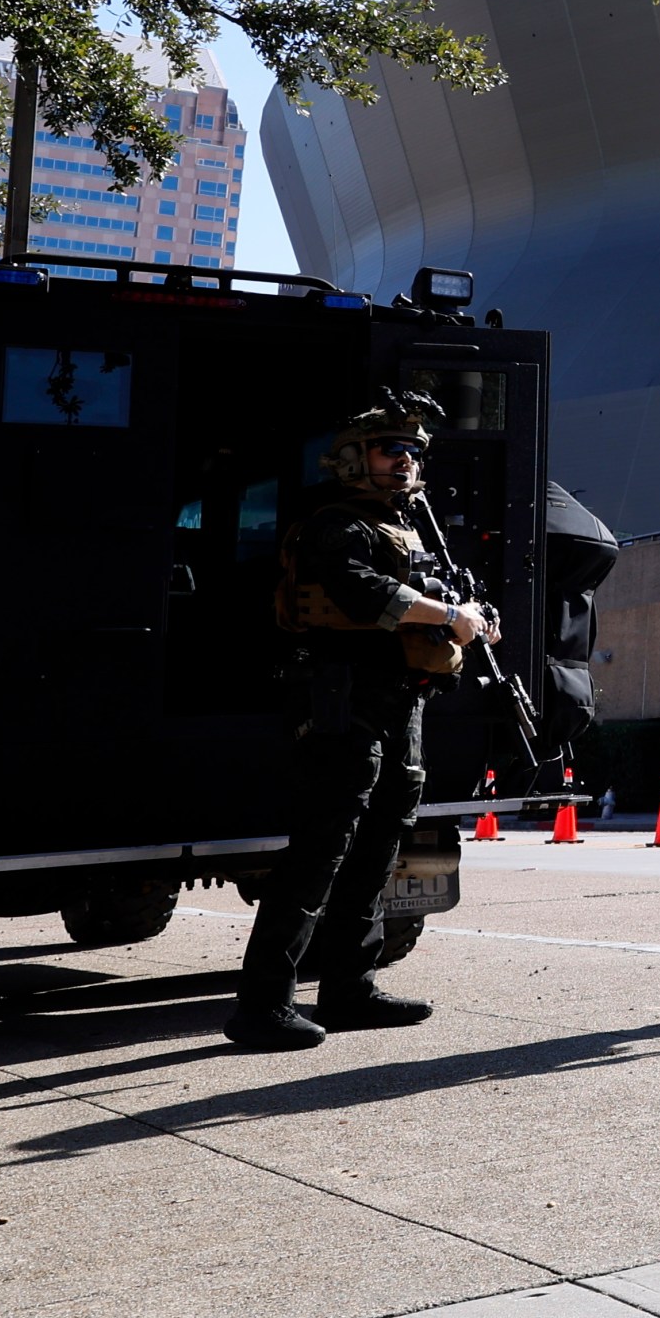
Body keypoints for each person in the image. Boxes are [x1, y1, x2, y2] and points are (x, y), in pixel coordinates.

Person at [227, 390, 502, 1051]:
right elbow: (362, 592)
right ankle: (261, 1004)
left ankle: (350, 988)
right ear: (354, 458)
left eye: (412, 451)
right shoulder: (336, 525)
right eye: (390, 449)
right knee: (322, 849)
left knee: (380, 847)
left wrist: (475, 617)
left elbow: (437, 602)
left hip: (400, 699)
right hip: (342, 699)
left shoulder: (406, 528)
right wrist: (447, 616)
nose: (404, 461)